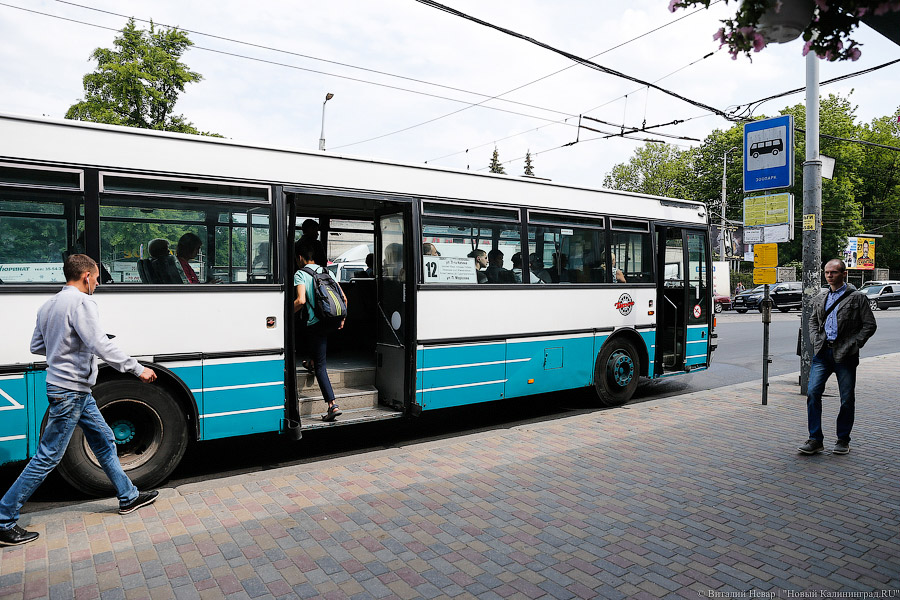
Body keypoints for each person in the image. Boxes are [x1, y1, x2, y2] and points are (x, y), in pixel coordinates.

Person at [0, 255, 159, 547]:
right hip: (71, 390)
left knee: (104, 439)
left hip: (71, 389)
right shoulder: (82, 303)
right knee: (48, 456)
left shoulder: (48, 305)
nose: (97, 283)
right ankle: (3, 518)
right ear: (86, 275)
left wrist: (67, 343)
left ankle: (129, 496)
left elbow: (37, 345)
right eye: (97, 277)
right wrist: (138, 368)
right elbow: (100, 343)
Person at [798, 258, 877, 456]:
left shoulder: (857, 298)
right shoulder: (820, 297)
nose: (829, 276)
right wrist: (816, 339)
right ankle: (815, 439)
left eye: (833, 272)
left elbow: (869, 325)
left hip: (846, 355)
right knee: (813, 393)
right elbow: (812, 321)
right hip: (823, 353)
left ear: (844, 274)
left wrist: (854, 344)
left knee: (846, 398)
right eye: (827, 272)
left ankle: (843, 439)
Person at [293, 239, 347, 422]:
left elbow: (300, 301)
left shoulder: (300, 274)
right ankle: (310, 361)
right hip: (331, 320)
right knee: (316, 347)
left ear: (299, 257)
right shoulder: (326, 271)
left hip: (316, 323)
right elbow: (344, 299)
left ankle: (332, 405)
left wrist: (283, 313)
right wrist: (342, 319)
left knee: (321, 366)